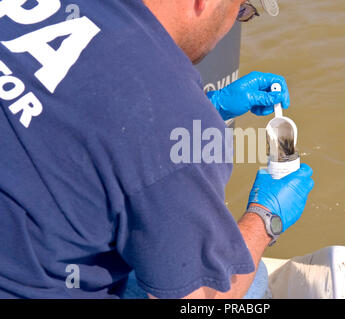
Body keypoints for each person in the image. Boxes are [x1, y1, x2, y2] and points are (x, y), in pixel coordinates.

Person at [0, 0, 314, 299]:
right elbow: (200, 299)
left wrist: (209, 107)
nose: (234, 22)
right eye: (241, 10)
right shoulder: (171, 119)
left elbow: (78, 113)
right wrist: (265, 218)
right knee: (246, 277)